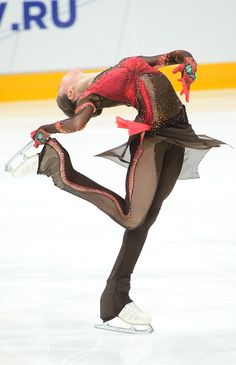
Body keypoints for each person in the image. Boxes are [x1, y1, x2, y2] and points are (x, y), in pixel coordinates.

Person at [12, 50, 224, 334]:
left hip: (180, 131)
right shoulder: (92, 95)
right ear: (73, 94)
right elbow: (77, 123)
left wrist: (189, 66)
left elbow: (172, 56)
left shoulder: (124, 63)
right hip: (153, 138)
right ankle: (55, 167)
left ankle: (116, 300)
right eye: (62, 86)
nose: (65, 77)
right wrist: (44, 130)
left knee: (146, 219)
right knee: (132, 218)